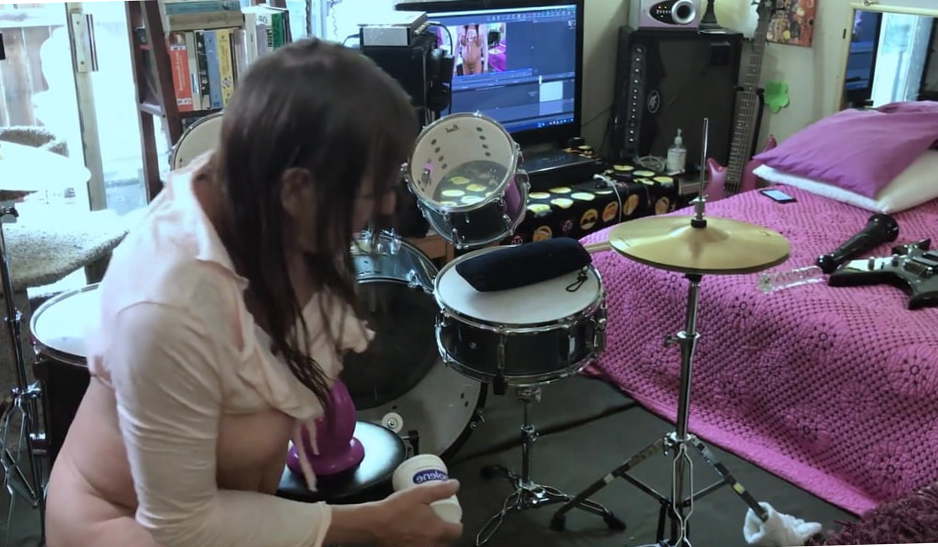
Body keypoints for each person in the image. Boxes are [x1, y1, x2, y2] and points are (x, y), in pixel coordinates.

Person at [45, 39, 463, 547]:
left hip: (224, 510)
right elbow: (181, 526)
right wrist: (372, 523)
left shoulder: (260, 196)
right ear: (296, 190)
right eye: (372, 192)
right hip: (125, 526)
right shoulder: (166, 308)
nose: (387, 206)